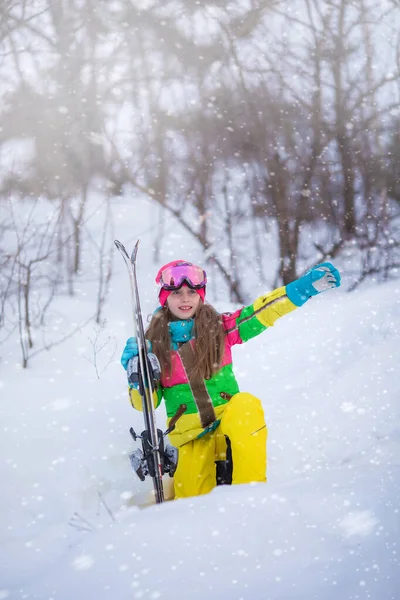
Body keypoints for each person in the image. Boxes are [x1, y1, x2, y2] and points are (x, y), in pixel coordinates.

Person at [121, 259, 341, 499]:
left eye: (192, 292)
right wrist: (138, 378)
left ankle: (251, 496)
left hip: (228, 420)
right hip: (191, 438)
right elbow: (146, 405)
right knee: (190, 503)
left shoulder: (219, 328)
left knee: (246, 406)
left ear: (201, 296)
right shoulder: (152, 347)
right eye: (177, 293)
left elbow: (261, 312)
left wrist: (300, 289)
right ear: (164, 298)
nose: (185, 298)